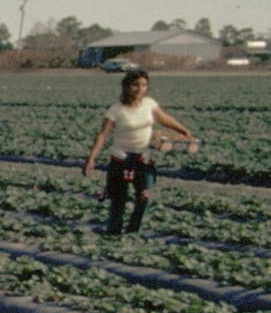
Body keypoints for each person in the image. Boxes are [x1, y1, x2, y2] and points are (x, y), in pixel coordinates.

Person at [83, 69, 196, 236]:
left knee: (145, 196)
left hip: (143, 158)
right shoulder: (116, 110)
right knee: (119, 200)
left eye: (143, 85)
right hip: (121, 158)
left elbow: (164, 119)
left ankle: (132, 232)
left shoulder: (149, 104)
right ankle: (113, 233)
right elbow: (103, 135)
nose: (140, 88)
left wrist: (184, 131)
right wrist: (91, 158)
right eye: (135, 85)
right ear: (127, 86)